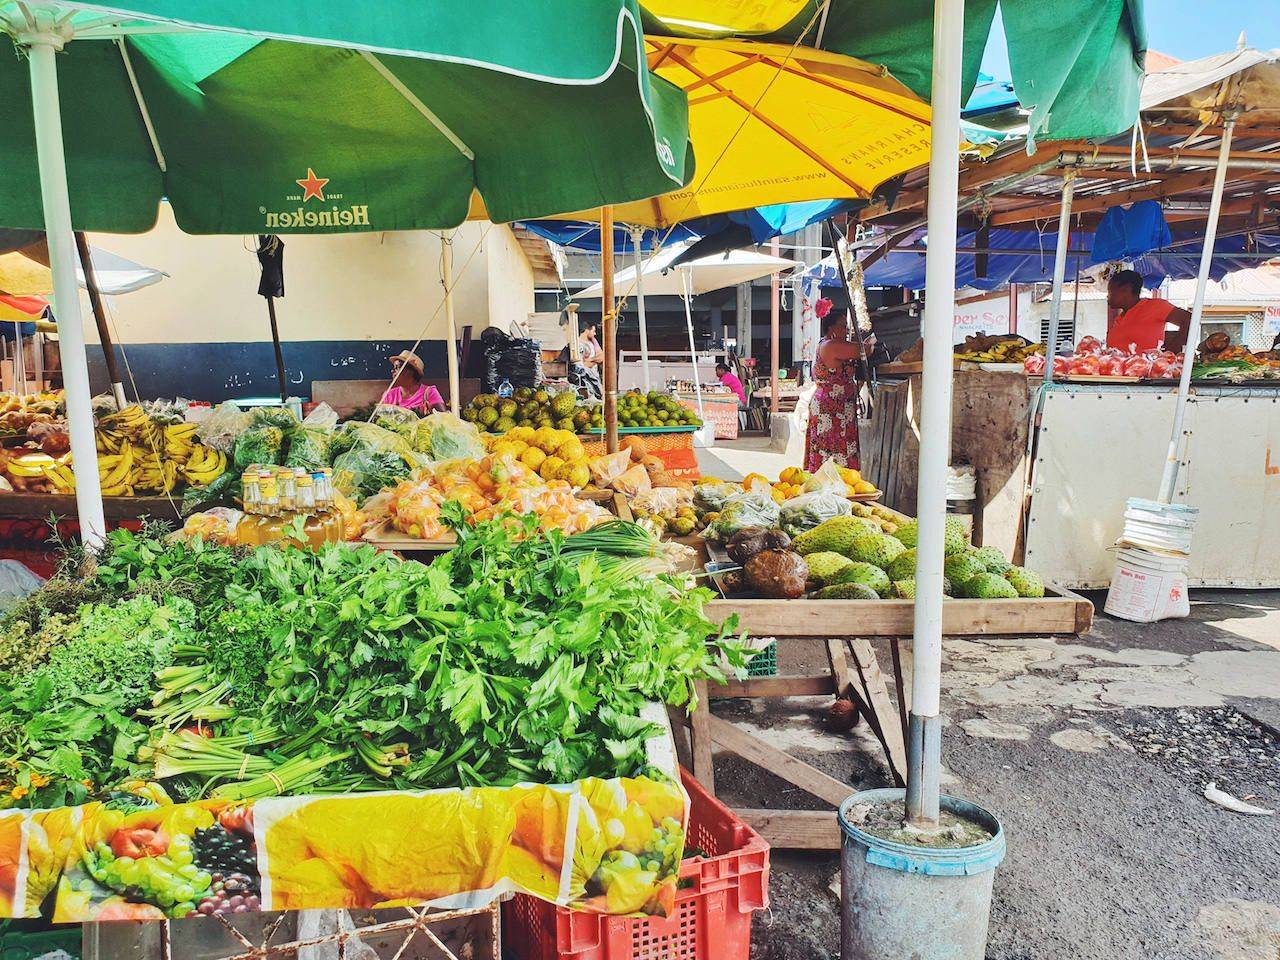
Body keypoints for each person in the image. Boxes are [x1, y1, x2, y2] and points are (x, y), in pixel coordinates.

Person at [804, 309, 872, 471]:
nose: (846, 331)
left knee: (838, 447)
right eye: (843, 326)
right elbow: (864, 350)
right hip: (830, 408)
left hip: (840, 407)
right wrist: (869, 342)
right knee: (830, 448)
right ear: (831, 329)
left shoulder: (829, 344)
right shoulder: (830, 346)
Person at [1106, 269, 1191, 352]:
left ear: (1126, 289)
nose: (1108, 296)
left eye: (1111, 291)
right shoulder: (1119, 318)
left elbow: (1189, 319)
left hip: (1146, 365)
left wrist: (1171, 350)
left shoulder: (1155, 306)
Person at [381, 350, 446, 413]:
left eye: (397, 367)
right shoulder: (388, 395)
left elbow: (443, 418)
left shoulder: (429, 393)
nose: (392, 371)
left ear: (410, 372)